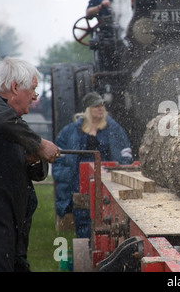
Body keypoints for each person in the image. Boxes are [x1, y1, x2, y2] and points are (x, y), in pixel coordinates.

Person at [0, 57, 60, 272]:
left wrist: (34, 157)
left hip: (12, 219)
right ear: (15, 87)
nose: (35, 98)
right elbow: (1, 122)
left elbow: (37, 174)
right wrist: (39, 144)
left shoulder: (16, 123)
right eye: (33, 90)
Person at [52, 92, 133, 239]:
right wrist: (65, 176)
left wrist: (122, 170)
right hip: (79, 182)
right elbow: (57, 158)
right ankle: (87, 248)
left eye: (102, 105)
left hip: (106, 182)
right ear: (88, 109)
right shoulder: (70, 131)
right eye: (96, 106)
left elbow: (125, 154)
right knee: (83, 218)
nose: (101, 108)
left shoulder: (114, 129)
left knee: (106, 218)